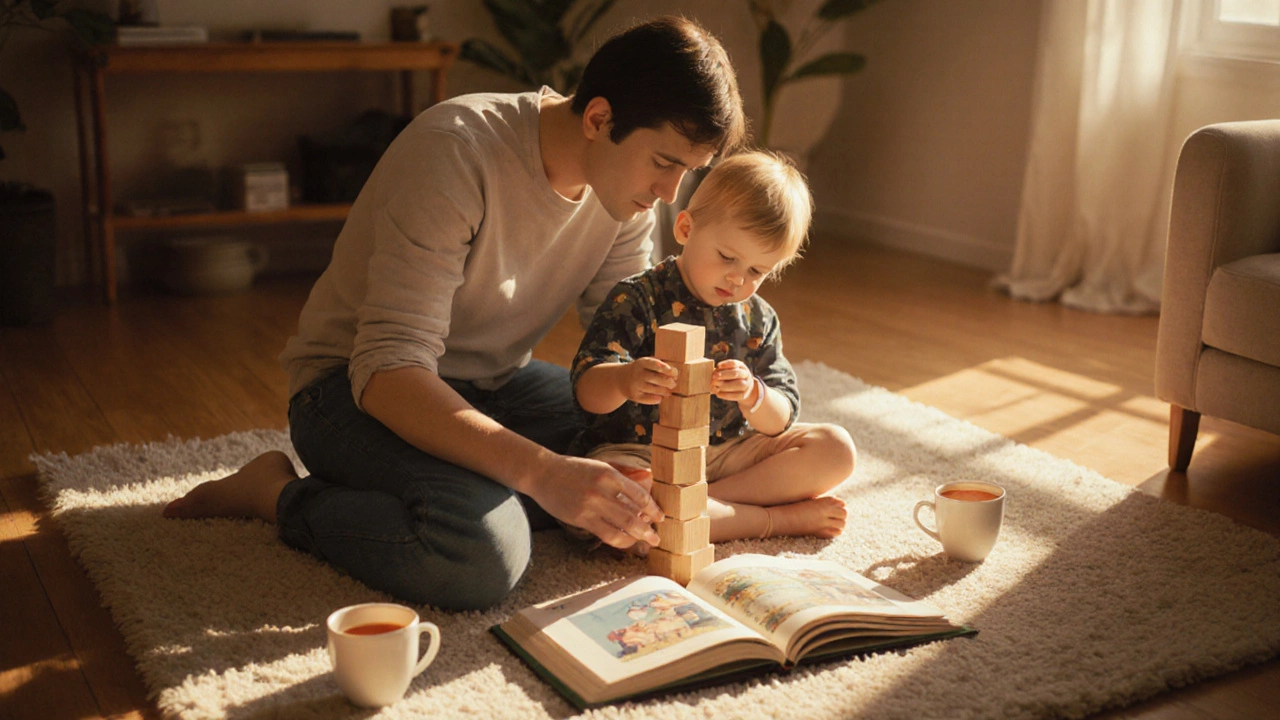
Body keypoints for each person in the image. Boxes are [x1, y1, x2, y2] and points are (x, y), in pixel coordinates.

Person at [162, 16, 748, 610]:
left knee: (637, 456)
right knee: (482, 552)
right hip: (352, 388)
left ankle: (455, 487)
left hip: (495, 386)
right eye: (664, 162)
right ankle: (275, 495)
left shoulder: (623, 199)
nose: (671, 191)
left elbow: (622, 342)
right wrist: (544, 475)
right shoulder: (457, 151)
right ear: (599, 119)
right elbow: (387, 372)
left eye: (687, 171)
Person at [570, 151, 856, 545]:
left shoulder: (758, 318)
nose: (738, 279)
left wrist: (755, 395)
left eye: (757, 271)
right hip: (642, 454)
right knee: (619, 513)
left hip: (729, 455)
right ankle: (774, 521)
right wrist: (624, 380)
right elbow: (586, 391)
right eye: (727, 257)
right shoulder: (636, 297)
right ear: (686, 228)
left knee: (837, 449)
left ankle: (695, 508)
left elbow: (781, 417)